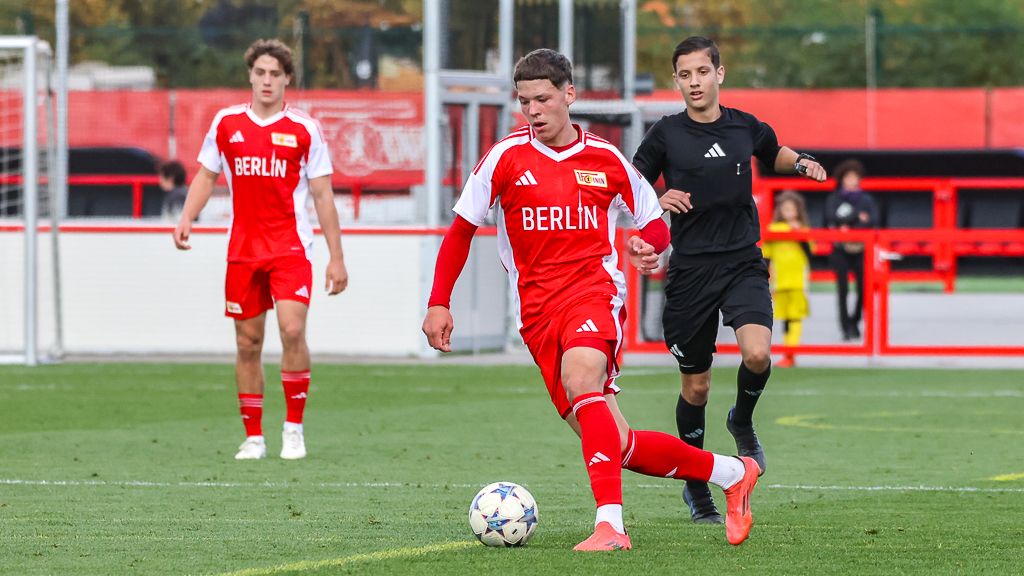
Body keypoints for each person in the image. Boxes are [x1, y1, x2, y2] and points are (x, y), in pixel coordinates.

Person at [422, 48, 760, 551]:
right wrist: (438, 301)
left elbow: (652, 221)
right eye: (524, 102)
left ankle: (611, 526)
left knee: (583, 378)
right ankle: (732, 472)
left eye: (543, 99)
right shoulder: (504, 158)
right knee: (614, 443)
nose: (534, 111)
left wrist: (647, 246)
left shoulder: (605, 159)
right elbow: (460, 231)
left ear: (569, 95)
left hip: (594, 294)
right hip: (536, 313)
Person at [632, 36, 826, 524]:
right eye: (684, 74)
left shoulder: (744, 125)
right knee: (695, 388)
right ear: (676, 80)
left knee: (758, 353)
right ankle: (697, 486)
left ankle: (741, 419)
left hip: (742, 260)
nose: (694, 82)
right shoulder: (665, 134)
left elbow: (773, 151)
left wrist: (801, 162)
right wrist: (657, 202)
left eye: (702, 71)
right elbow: (628, 187)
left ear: (719, 73)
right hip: (691, 270)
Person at [173, 39, 349, 461]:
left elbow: (323, 195)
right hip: (243, 251)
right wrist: (186, 217)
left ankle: (293, 428)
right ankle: (253, 436)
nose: (267, 81)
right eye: (261, 73)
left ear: (288, 78)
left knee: (292, 330)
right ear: (250, 75)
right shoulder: (226, 123)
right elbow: (205, 175)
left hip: (290, 248)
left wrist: (336, 257)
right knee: (248, 343)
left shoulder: (304, 129)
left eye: (276, 74)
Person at [824, 159, 878, 341]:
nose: (852, 180)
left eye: (855, 177)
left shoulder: (866, 199)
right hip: (840, 249)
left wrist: (847, 222)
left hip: (862, 249)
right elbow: (830, 218)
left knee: (863, 288)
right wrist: (857, 217)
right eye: (848, 177)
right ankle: (845, 326)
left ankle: (855, 321)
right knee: (843, 289)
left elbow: (872, 220)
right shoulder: (834, 198)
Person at [762, 191, 813, 368]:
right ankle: (787, 353)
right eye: (785, 209)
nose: (789, 212)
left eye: (792, 209)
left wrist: (798, 232)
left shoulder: (804, 230)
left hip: (799, 281)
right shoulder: (774, 229)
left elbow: (810, 252)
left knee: (795, 317)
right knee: (784, 318)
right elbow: (766, 255)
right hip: (779, 281)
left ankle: (791, 352)